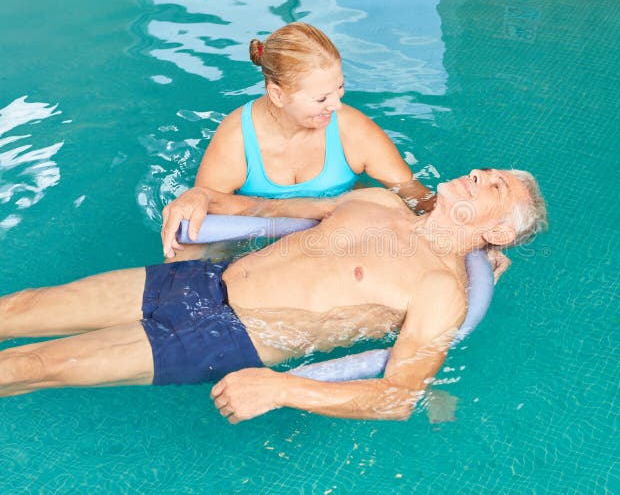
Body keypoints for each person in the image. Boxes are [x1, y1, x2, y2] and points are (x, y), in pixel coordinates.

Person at [0, 169, 546, 423]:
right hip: (201, 281)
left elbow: (399, 397)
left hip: (231, 338)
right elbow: (267, 213)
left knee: (33, 364)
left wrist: (284, 390)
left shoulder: (441, 292)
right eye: (486, 171)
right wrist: (201, 198)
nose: (478, 173)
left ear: (496, 233)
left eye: (493, 187)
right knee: (20, 306)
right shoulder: (379, 201)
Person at [160, 22, 435, 260]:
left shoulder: (353, 130)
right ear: (278, 95)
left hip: (339, 239)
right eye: (321, 98)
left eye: (339, 87)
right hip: (255, 246)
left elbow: (417, 197)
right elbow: (198, 228)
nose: (337, 105)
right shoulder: (237, 139)